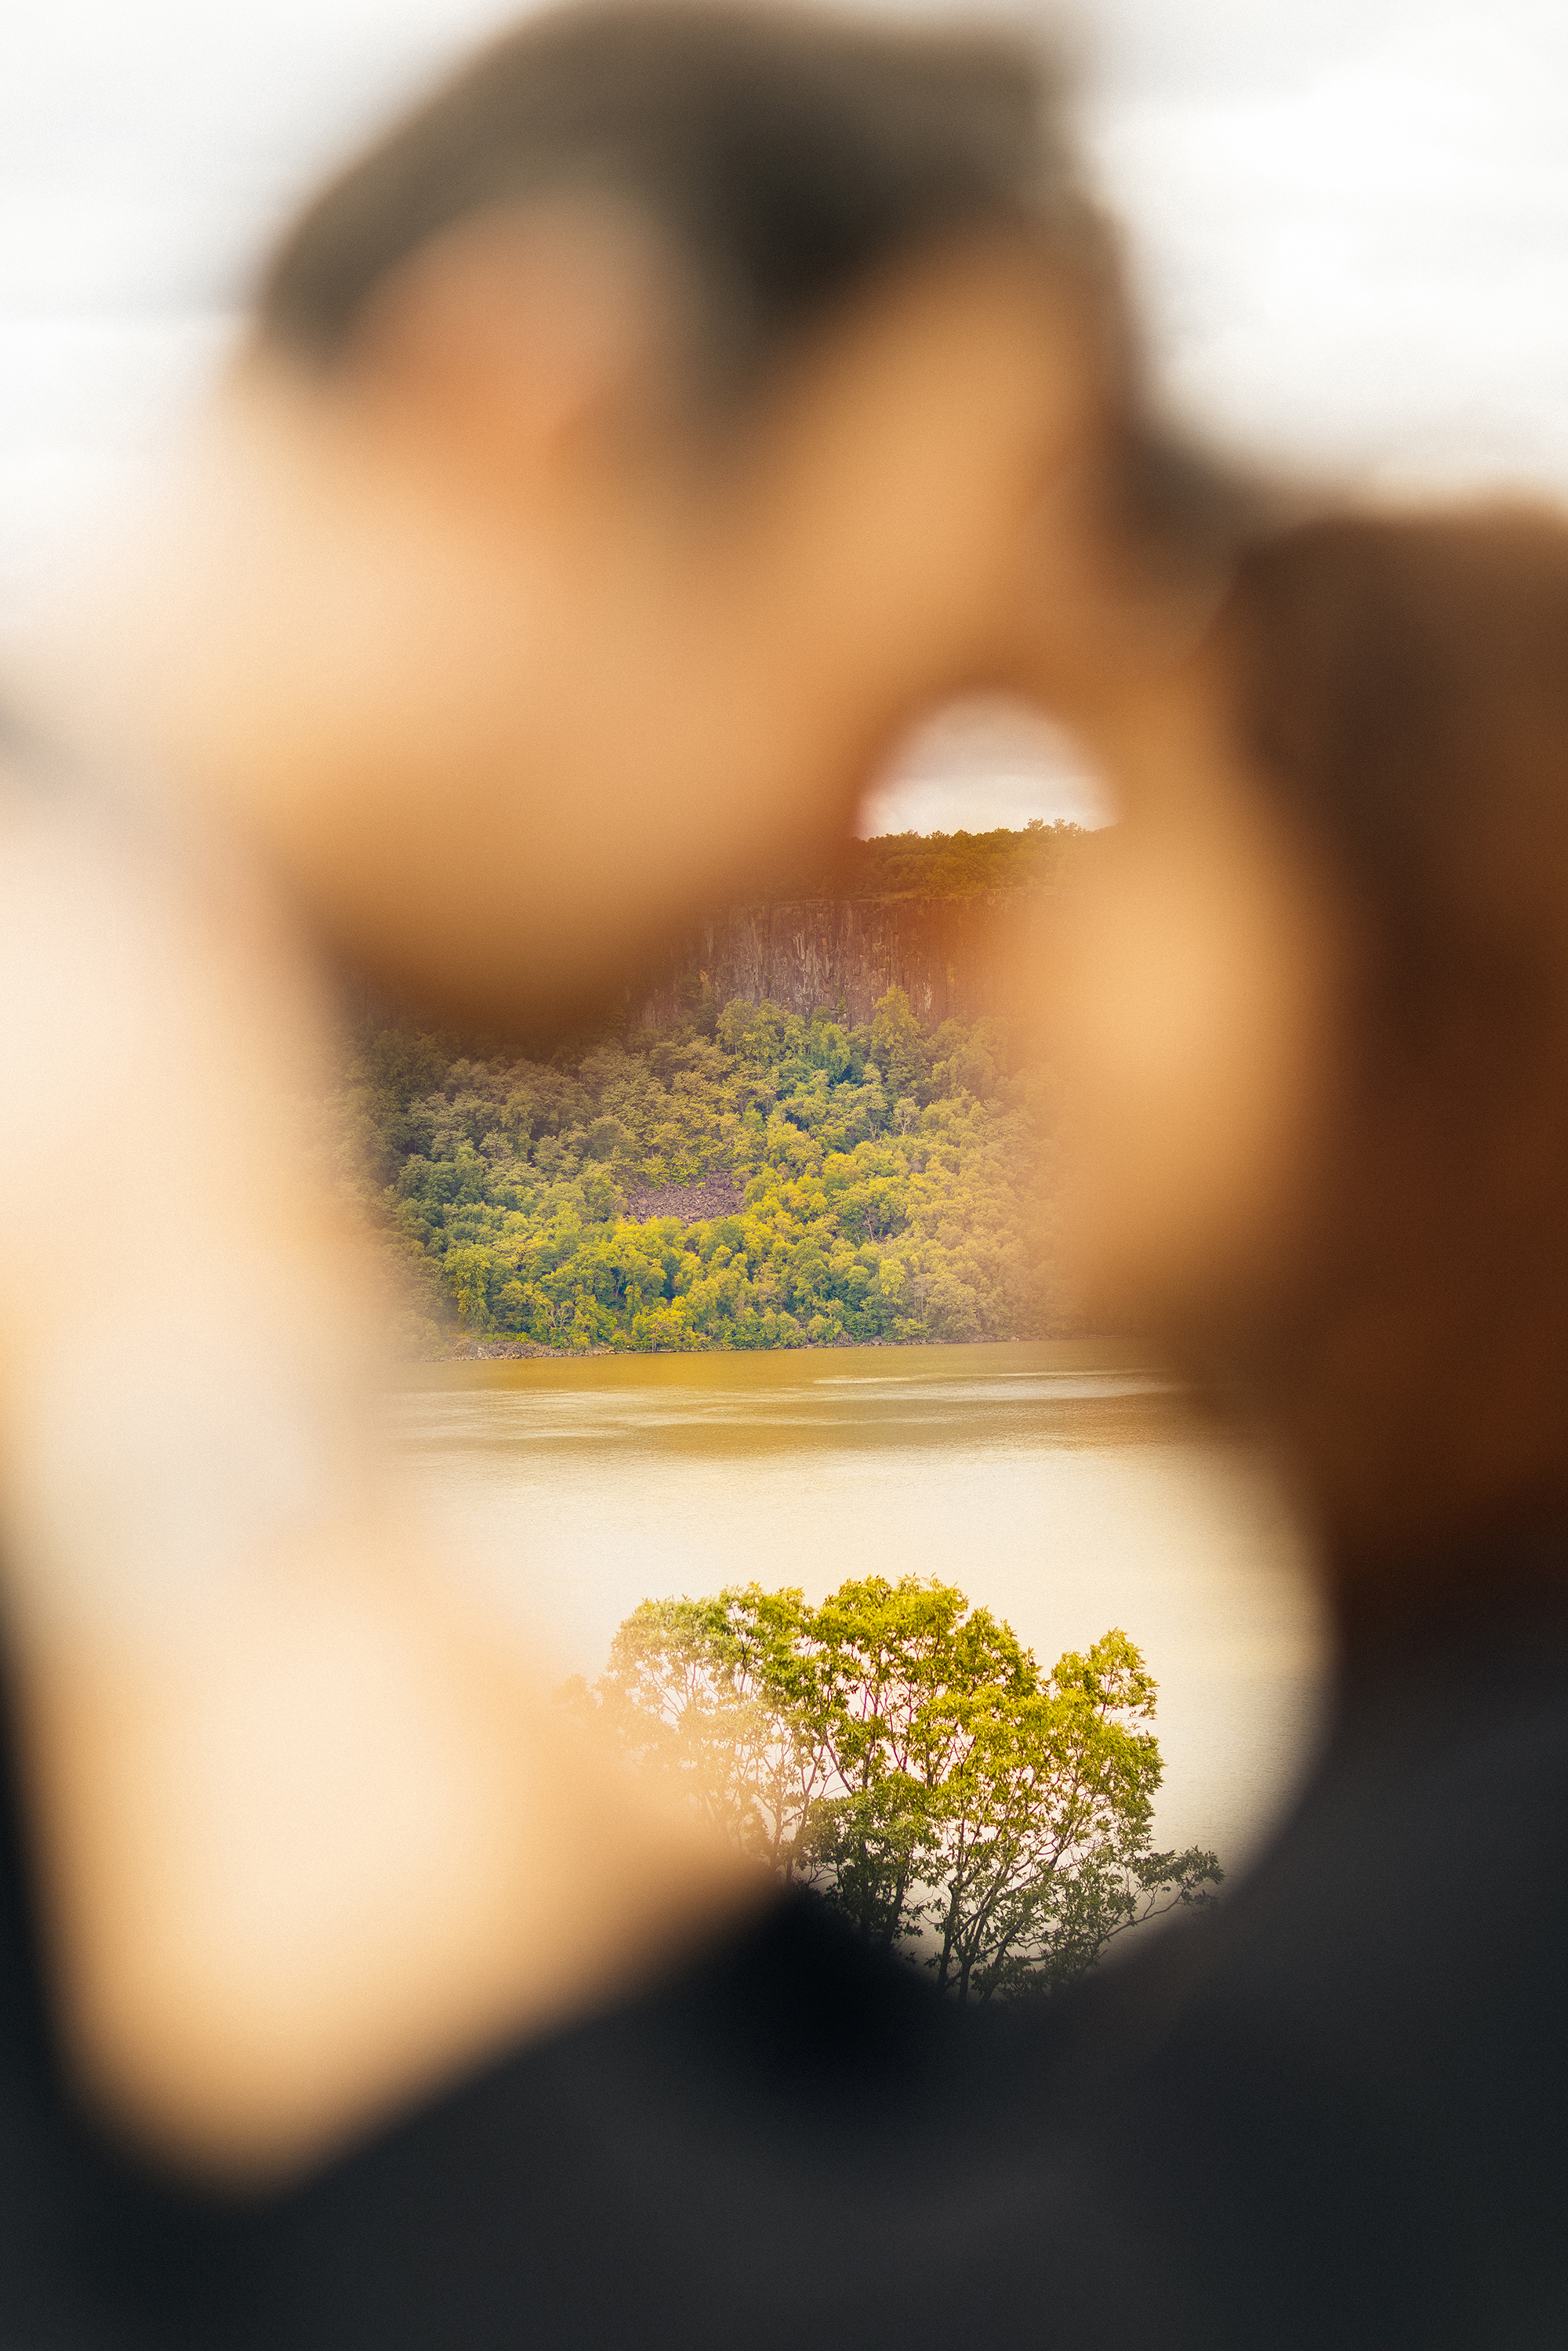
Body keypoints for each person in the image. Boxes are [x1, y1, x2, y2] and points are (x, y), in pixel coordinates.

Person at [0, 3, 1208, 2342]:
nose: (865, 885)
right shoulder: (82, 1102)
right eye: (875, 698)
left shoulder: (195, 1150)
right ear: (533, 408)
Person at [264, 510, 1568, 2349]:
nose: (965, 977)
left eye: (1115, 837)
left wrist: (172, 1437)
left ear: (1432, 934)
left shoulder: (1516, 1832)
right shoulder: (1466, 1724)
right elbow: (1104, 2158)